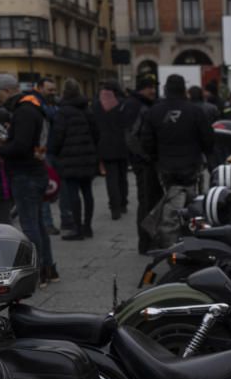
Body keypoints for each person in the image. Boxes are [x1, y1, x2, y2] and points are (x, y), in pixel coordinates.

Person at [0, 73, 59, 287]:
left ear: (7, 90)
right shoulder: (32, 106)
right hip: (35, 171)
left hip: (26, 175)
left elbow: (21, 146)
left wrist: (0, 148)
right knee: (38, 224)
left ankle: (38, 273)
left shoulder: (24, 111)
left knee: (30, 226)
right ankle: (49, 269)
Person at [138, 74, 214, 250]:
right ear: (184, 90)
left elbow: (146, 142)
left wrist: (157, 157)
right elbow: (208, 140)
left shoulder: (154, 112)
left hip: (165, 169)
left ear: (165, 89)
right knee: (191, 205)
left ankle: (165, 242)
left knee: (166, 204)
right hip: (191, 168)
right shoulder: (195, 111)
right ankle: (190, 240)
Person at [50, 78, 99, 240]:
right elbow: (96, 133)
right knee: (87, 192)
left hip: (69, 159)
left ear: (64, 92)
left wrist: (54, 152)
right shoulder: (87, 109)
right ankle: (88, 227)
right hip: (87, 157)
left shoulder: (62, 112)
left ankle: (77, 229)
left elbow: (57, 135)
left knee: (73, 194)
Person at [122, 74, 163, 250]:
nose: (153, 90)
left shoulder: (142, 104)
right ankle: (146, 242)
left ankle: (150, 239)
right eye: (150, 87)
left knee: (151, 200)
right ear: (141, 89)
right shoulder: (136, 105)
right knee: (146, 201)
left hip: (144, 161)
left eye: (154, 87)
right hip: (143, 163)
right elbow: (130, 136)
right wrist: (145, 156)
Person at [95, 80, 129, 221]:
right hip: (122, 144)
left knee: (111, 178)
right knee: (122, 176)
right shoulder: (122, 103)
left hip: (105, 145)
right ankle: (123, 203)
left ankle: (114, 207)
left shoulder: (97, 104)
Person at [33, 77, 60, 235]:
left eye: (54, 90)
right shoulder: (38, 102)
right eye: (49, 89)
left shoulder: (50, 102)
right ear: (40, 88)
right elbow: (51, 116)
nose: (52, 93)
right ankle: (47, 223)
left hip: (52, 149)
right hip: (43, 151)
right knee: (45, 188)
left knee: (54, 186)